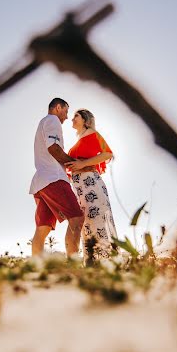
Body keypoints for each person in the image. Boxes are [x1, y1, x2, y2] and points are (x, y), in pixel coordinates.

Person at [29, 98, 84, 256]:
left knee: (43, 228)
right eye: (66, 111)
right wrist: (75, 163)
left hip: (40, 183)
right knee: (77, 218)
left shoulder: (43, 123)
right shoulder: (52, 120)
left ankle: (36, 264)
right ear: (58, 107)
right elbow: (54, 148)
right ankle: (73, 262)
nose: (67, 117)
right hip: (54, 178)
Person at [65, 108, 117, 262]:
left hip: (92, 185)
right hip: (80, 188)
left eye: (76, 116)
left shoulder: (93, 134)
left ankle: (106, 261)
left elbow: (108, 153)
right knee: (86, 224)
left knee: (97, 221)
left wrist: (83, 164)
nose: (72, 119)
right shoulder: (79, 139)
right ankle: (91, 262)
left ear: (85, 120)